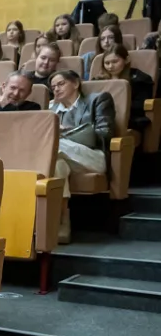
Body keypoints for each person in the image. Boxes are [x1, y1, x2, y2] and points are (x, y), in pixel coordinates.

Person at [49, 70, 115, 243]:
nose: (56, 89)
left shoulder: (98, 99)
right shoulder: (51, 109)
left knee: (51, 147)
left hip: (93, 157)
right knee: (57, 165)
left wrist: (66, 132)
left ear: (76, 83)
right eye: (53, 87)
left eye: (61, 84)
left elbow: (105, 133)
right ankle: (63, 221)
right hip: (64, 156)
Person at [96, 44, 154, 133]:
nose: (110, 66)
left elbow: (140, 105)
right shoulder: (98, 81)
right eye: (107, 63)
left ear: (126, 60)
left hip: (130, 119)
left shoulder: (140, 79)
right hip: (102, 118)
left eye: (115, 62)